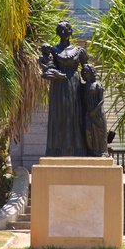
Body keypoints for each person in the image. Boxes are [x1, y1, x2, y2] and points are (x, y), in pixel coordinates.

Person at [40, 21, 88, 156]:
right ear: (57, 33)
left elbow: (87, 72)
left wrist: (91, 89)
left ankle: (78, 150)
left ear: (71, 32)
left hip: (75, 86)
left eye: (66, 29)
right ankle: (56, 150)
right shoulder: (53, 51)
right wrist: (52, 74)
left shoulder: (79, 51)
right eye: (60, 30)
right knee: (59, 116)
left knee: (75, 116)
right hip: (58, 87)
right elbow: (48, 69)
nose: (63, 32)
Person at [81, 64, 108, 157]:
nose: (83, 73)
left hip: (98, 114)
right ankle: (91, 151)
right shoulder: (83, 86)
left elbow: (102, 100)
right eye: (83, 71)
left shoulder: (97, 85)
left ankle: (101, 152)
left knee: (99, 133)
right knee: (88, 132)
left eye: (86, 71)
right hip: (88, 114)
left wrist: (94, 111)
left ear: (91, 72)